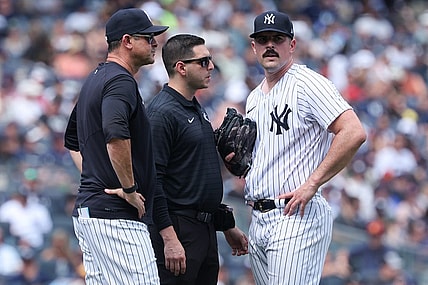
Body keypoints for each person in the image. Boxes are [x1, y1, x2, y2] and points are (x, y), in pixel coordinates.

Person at [243, 10, 367, 285]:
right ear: (254, 46)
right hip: (259, 217)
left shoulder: (307, 84)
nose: (270, 45)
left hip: (297, 214)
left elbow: (353, 131)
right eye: (263, 39)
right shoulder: (253, 97)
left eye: (278, 38)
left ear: (292, 45)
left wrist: (312, 184)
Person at [63, 8, 168, 284]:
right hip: (114, 217)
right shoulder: (120, 81)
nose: (154, 43)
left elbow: (72, 142)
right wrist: (129, 188)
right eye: (148, 37)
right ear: (127, 41)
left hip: (93, 214)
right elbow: (115, 135)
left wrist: (96, 177)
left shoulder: (96, 78)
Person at [146, 34, 248, 285]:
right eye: (203, 62)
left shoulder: (193, 107)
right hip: (178, 229)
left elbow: (197, 179)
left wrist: (226, 225)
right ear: (181, 67)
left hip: (204, 229)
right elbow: (151, 181)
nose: (211, 66)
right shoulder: (162, 113)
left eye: (210, 60)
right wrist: (169, 238)